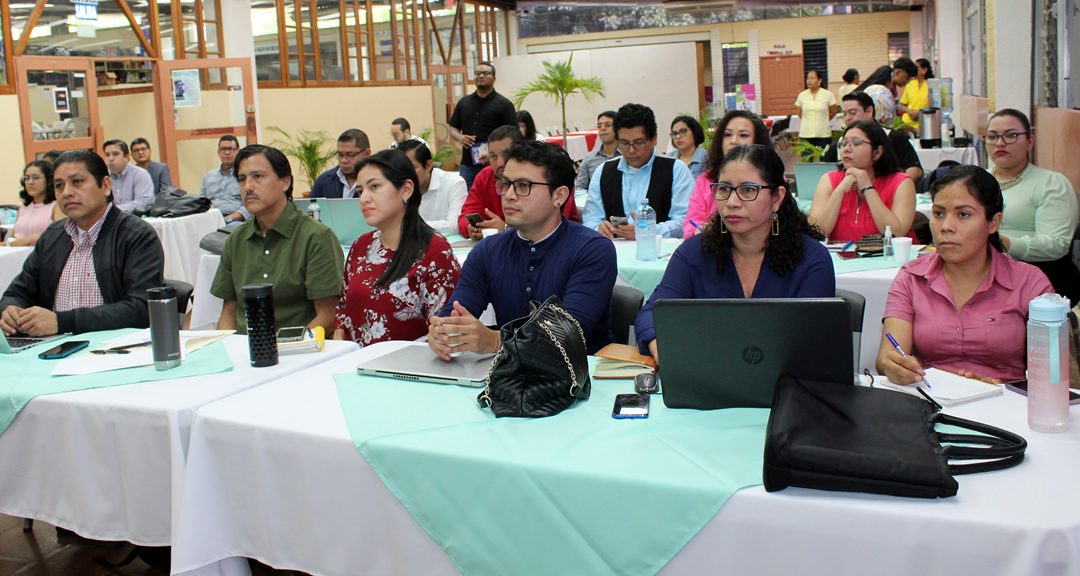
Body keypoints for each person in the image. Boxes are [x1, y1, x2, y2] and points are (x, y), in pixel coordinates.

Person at [634, 144, 834, 362]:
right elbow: (651, 315)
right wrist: (662, 347)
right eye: (724, 189)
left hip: (787, 388)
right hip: (708, 380)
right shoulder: (694, 252)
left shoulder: (812, 260)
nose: (731, 203)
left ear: (777, 198)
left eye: (748, 190)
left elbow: (811, 345)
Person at [428, 140, 617, 359]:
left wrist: (497, 341)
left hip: (582, 375)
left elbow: (568, 336)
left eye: (523, 186)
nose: (508, 195)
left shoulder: (592, 249)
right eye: (506, 184)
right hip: (507, 377)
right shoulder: (488, 250)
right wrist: (443, 332)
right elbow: (456, 313)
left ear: (559, 195)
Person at [876, 166, 1054, 384]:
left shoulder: (1029, 282)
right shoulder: (911, 277)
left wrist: (1002, 388)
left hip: (1007, 406)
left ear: (993, 223)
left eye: (963, 214)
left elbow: (1052, 374)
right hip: (929, 401)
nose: (946, 226)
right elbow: (888, 357)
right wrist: (894, 366)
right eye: (938, 213)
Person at [1, 150, 164, 336]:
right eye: (59, 185)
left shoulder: (136, 235)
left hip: (115, 349)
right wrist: (10, 310)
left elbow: (142, 308)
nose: (67, 192)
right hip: (53, 349)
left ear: (105, 185)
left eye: (77, 182)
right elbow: (16, 293)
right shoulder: (52, 236)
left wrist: (63, 322)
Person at [210, 145, 344, 334]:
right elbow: (229, 315)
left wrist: (282, 348)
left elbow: (328, 316)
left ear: (284, 182)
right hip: (244, 352)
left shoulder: (315, 237)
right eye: (242, 179)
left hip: (299, 353)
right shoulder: (236, 240)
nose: (248, 186)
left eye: (258, 176)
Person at [334, 150, 460, 346]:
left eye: (374, 186)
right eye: (360, 191)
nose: (363, 198)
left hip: (408, 369)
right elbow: (343, 305)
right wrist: (340, 328)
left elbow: (445, 329)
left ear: (406, 189)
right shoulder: (361, 246)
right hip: (355, 363)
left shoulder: (435, 251)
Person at [986, 108, 1080, 306]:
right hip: (980, 272)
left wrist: (1000, 242)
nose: (1000, 143)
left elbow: (1056, 244)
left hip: (1042, 279)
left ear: (1030, 141)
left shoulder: (1051, 183)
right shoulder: (976, 180)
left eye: (1011, 135)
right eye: (992, 136)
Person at [583, 103, 694, 239]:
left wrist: (647, 231)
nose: (631, 150)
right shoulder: (603, 172)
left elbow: (685, 221)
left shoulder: (676, 170)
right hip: (615, 252)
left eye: (639, 142)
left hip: (662, 253)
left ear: (654, 139)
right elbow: (590, 219)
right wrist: (599, 228)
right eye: (624, 143)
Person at [456, 125, 580, 239]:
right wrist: (472, 228)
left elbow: (551, 224)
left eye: (523, 185)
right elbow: (465, 216)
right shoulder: (484, 176)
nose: (499, 163)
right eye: (493, 156)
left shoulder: (548, 172)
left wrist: (506, 229)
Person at [809, 120, 917, 243]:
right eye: (843, 144)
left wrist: (867, 188)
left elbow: (896, 235)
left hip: (891, 259)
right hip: (842, 260)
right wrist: (839, 191)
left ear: (877, 152)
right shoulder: (829, 179)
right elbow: (817, 233)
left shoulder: (901, 182)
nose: (847, 149)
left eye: (856, 143)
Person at [682, 110, 771, 237]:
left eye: (743, 135)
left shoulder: (771, 176)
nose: (734, 141)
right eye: (728, 135)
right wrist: (700, 230)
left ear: (758, 141)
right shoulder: (706, 179)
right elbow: (691, 223)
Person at [824, 91, 923, 183]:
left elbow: (915, 169)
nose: (848, 118)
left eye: (853, 113)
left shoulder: (893, 138)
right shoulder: (838, 145)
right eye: (845, 114)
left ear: (869, 111)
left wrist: (897, 187)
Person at [448, 61, 517, 190]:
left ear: (494, 78)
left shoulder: (504, 104)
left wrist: (494, 155)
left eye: (486, 73)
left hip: (495, 164)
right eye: (477, 73)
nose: (481, 76)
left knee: (493, 196)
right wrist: (460, 138)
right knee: (467, 198)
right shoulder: (464, 102)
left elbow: (513, 135)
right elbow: (453, 127)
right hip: (468, 164)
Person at [398, 139, 467, 236]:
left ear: (428, 165)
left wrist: (411, 226)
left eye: (411, 168)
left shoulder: (454, 183)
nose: (406, 175)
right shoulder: (398, 188)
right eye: (401, 170)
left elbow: (455, 225)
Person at [6, 161, 63, 247]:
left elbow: (61, 238)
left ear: (48, 181)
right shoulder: (23, 208)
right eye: (27, 178)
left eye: (36, 177)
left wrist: (31, 240)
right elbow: (14, 239)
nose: (30, 182)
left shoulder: (57, 206)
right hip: (19, 256)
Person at [199, 135, 249, 225]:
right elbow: (201, 203)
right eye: (223, 149)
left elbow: (249, 206)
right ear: (218, 152)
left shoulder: (245, 176)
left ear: (238, 151)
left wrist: (227, 219)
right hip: (209, 220)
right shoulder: (208, 176)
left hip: (234, 221)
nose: (227, 152)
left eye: (231, 149)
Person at [310, 129, 371, 199]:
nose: (343, 160)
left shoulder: (377, 181)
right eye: (340, 155)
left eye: (350, 155)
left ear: (367, 154)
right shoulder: (324, 181)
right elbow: (310, 208)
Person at [102, 139, 154, 212]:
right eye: (107, 155)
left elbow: (143, 202)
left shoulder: (140, 174)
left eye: (115, 154)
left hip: (135, 220)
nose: (110, 159)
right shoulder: (103, 177)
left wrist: (113, 210)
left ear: (126, 157)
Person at [574, 111, 620, 193]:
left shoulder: (627, 156)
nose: (603, 128)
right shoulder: (589, 158)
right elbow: (580, 188)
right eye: (599, 126)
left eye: (608, 125)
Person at [794, 70, 838, 152]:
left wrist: (822, 119)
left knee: (824, 160)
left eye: (812, 78)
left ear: (819, 81)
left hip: (823, 133)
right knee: (807, 161)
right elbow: (800, 113)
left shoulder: (828, 94)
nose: (809, 80)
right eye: (808, 78)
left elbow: (833, 111)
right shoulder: (802, 95)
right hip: (806, 133)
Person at [897, 58, 934, 130]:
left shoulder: (931, 85)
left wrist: (919, 113)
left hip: (925, 123)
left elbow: (936, 107)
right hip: (908, 124)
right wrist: (910, 111)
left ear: (924, 70)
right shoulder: (910, 84)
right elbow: (901, 105)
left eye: (916, 67)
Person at [668, 115, 707, 179]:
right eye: (674, 134)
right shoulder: (668, 160)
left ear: (694, 132)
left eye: (683, 131)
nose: (678, 137)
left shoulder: (708, 159)